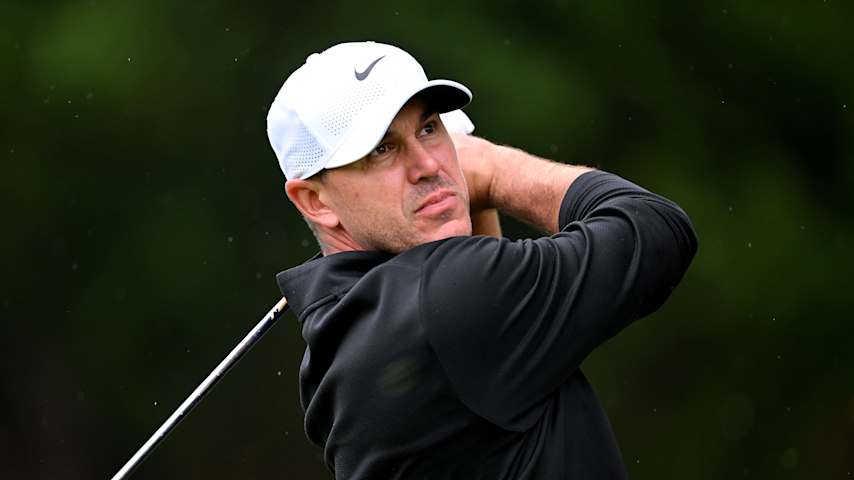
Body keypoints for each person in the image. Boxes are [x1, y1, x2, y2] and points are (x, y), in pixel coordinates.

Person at [267, 41, 698, 479]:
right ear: (315, 201)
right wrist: (491, 170)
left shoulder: (334, 349)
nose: (428, 164)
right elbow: (656, 229)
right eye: (382, 149)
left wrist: (458, 206)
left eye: (429, 128)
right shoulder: (446, 296)